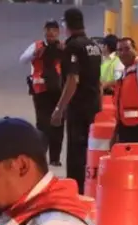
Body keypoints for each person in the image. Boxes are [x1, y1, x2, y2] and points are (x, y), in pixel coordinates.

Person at [51, 8, 102, 195]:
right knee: (90, 150)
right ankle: (87, 188)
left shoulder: (73, 47)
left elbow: (73, 79)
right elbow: (99, 80)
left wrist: (59, 108)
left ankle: (76, 192)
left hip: (79, 108)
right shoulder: (94, 46)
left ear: (67, 24)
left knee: (76, 153)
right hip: (94, 106)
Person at [19, 20, 65, 167]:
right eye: (48, 30)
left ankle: (55, 158)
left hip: (59, 91)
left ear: (58, 32)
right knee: (43, 124)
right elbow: (22, 60)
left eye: (54, 30)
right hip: (41, 91)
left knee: (58, 123)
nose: (51, 33)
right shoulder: (37, 46)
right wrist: (34, 54)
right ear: (44, 31)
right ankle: (41, 156)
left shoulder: (63, 47)